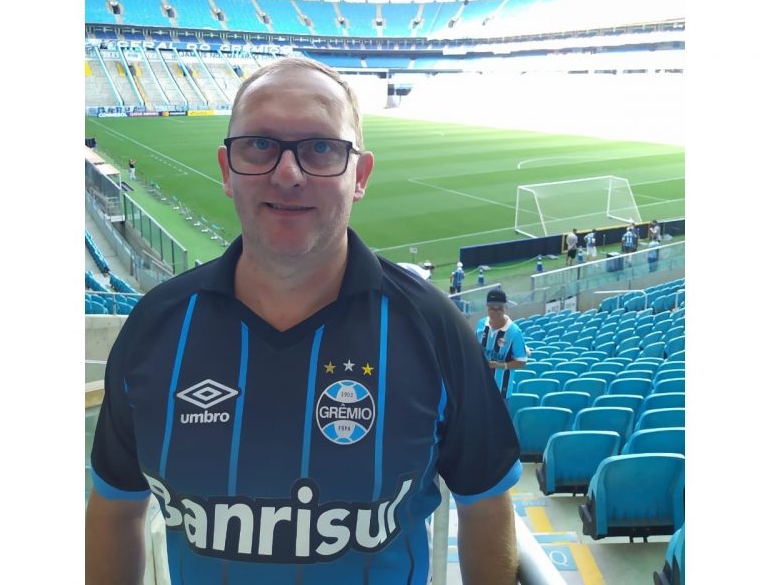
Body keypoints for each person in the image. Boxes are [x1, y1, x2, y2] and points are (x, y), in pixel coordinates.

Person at [86, 57, 522, 585]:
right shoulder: (155, 330)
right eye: (259, 144)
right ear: (226, 170)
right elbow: (116, 508)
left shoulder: (434, 329)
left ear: (359, 176)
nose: (287, 173)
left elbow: (485, 505)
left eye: (320, 147)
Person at [475, 288, 529, 398]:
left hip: (501, 391)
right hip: (480, 387)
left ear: (506, 307)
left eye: (499, 308)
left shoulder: (514, 332)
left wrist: (501, 365)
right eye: (492, 308)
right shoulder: (481, 324)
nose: (496, 312)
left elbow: (522, 362)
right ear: (487, 307)